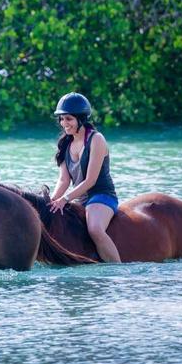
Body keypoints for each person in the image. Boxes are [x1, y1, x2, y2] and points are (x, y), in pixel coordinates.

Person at [47, 92, 122, 263]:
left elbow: (91, 180)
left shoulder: (96, 139)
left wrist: (65, 199)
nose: (64, 123)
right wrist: (52, 201)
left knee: (95, 229)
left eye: (69, 119)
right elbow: (64, 180)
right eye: (61, 119)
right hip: (79, 198)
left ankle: (117, 268)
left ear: (81, 119)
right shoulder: (65, 144)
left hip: (102, 196)